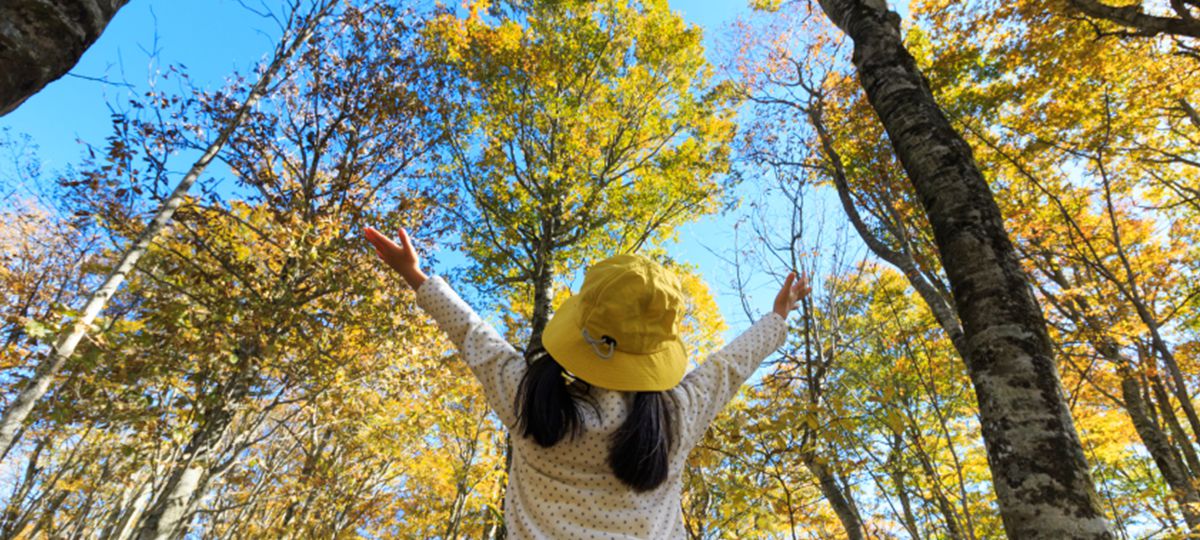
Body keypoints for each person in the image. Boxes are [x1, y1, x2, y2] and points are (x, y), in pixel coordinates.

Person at [364, 226, 809, 539]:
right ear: (656, 351)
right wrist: (777, 318)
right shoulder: (676, 417)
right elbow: (729, 365)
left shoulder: (528, 399)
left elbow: (473, 335)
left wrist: (414, 275)